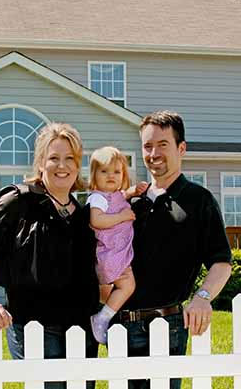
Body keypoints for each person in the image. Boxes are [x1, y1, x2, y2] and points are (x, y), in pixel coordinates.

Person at [0, 122, 100, 389]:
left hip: (81, 329)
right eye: (54, 158)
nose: (62, 166)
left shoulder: (85, 214)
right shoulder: (18, 201)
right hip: (34, 326)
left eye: (70, 158)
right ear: (40, 163)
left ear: (78, 165)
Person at [116, 111, 233, 389]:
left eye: (162, 145)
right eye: (147, 146)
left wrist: (203, 297)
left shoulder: (198, 200)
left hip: (167, 326)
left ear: (181, 148)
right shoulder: (131, 202)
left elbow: (221, 261)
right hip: (121, 327)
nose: (154, 153)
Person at [86, 146, 148, 344]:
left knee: (122, 286)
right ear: (94, 176)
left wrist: (133, 191)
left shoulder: (115, 195)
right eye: (104, 171)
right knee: (128, 285)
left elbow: (123, 195)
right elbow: (96, 220)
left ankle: (104, 313)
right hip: (110, 254)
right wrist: (122, 216)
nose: (111, 176)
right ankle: (102, 317)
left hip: (117, 252)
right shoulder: (98, 198)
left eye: (117, 172)